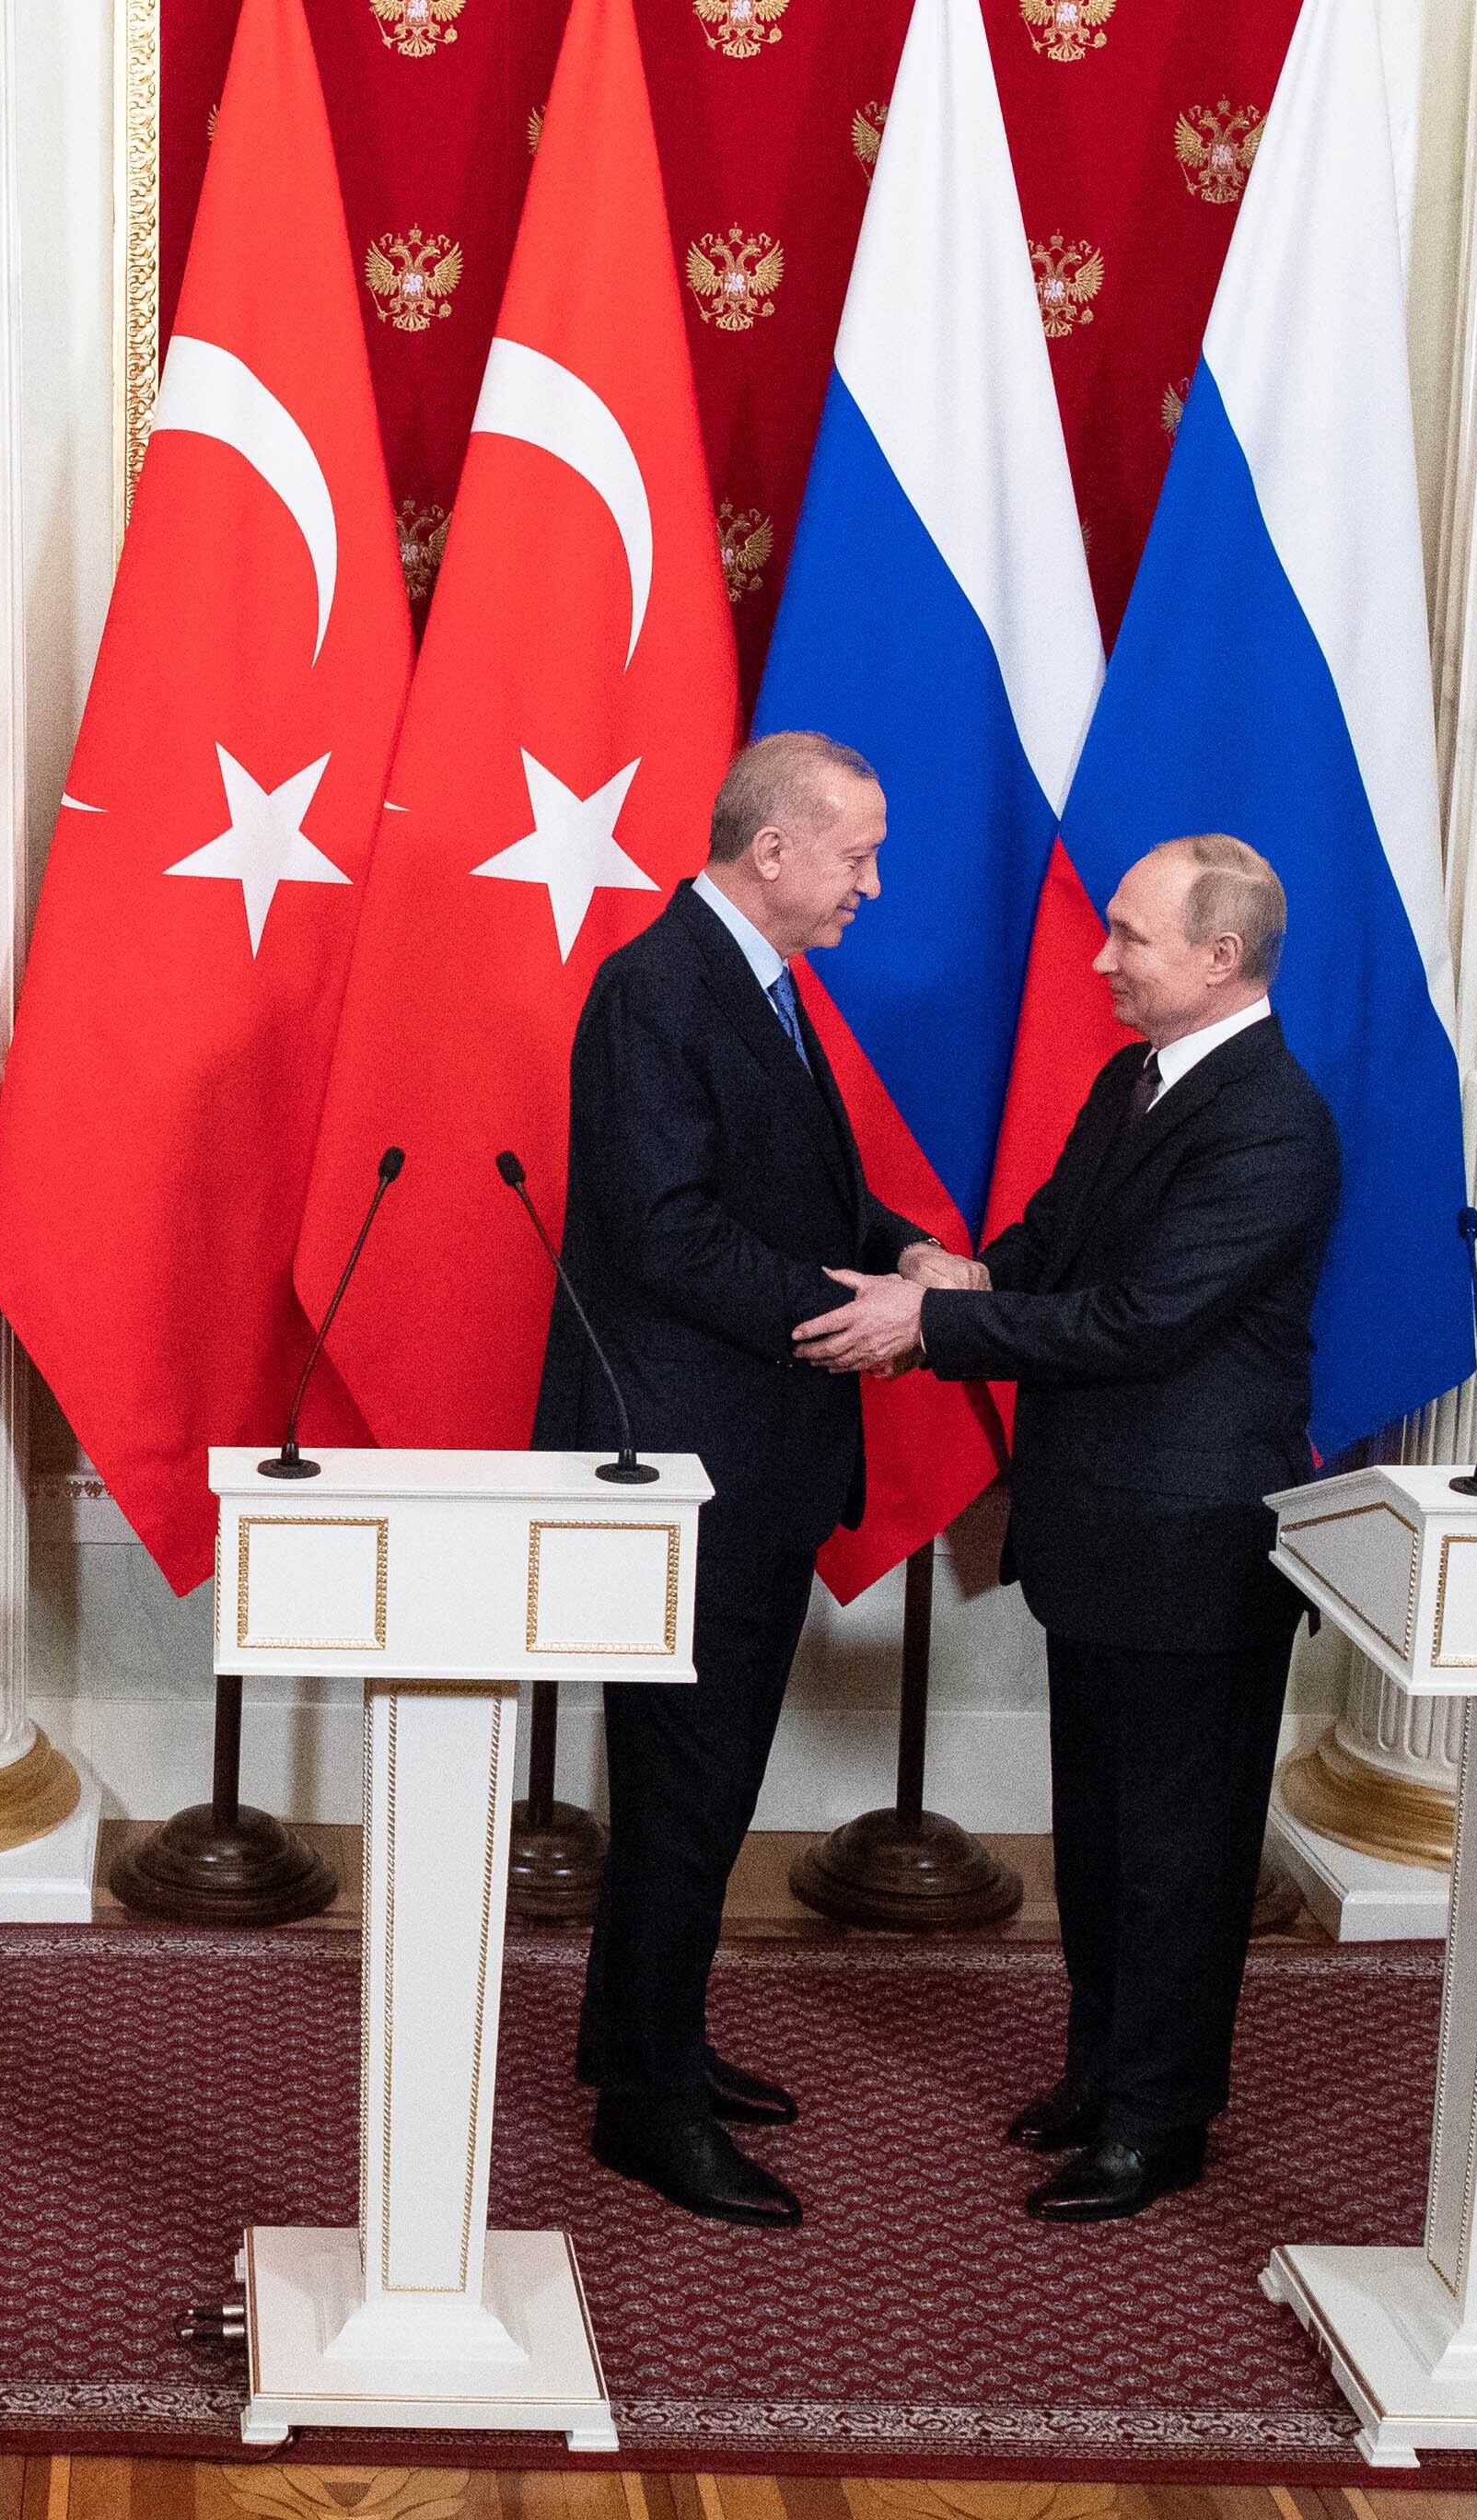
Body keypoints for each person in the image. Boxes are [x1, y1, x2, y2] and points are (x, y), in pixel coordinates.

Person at [797, 833, 1339, 2222]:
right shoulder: (1135, 1079)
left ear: (1220, 957)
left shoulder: (1273, 1121)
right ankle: (1102, 2075)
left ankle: (1161, 2123)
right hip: (1103, 1536)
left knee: (1179, 1857)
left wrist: (933, 1328)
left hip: (1193, 1550)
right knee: (1099, 1842)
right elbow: (1052, 1250)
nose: (1101, 958)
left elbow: (1142, 1322)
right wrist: (948, 1273)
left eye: (1131, 936)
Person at [541, 730, 955, 2231]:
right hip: (688, 1467)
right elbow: (664, 1229)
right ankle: (644, 2111)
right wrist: (854, 1311)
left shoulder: (755, 982)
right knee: (684, 1788)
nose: (871, 883)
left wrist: (904, 1247)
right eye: (856, 853)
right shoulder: (657, 988)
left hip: (749, 1458)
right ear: (770, 849)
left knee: (699, 1789)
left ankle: (641, 2041)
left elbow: (788, 1193)